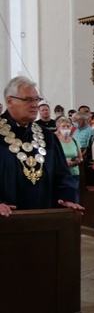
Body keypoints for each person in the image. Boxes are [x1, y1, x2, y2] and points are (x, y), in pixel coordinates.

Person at [0, 76, 81, 217]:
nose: (34, 105)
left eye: (37, 99)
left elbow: (62, 174)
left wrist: (67, 197)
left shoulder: (47, 136)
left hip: (44, 214)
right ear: (10, 101)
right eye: (28, 99)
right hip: (7, 218)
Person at [54, 116, 83, 196]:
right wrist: (64, 162)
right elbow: (53, 158)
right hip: (61, 173)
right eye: (63, 126)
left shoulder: (75, 141)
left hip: (74, 173)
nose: (66, 128)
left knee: (73, 196)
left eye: (68, 126)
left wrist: (76, 161)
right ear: (58, 128)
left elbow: (80, 158)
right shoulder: (55, 141)